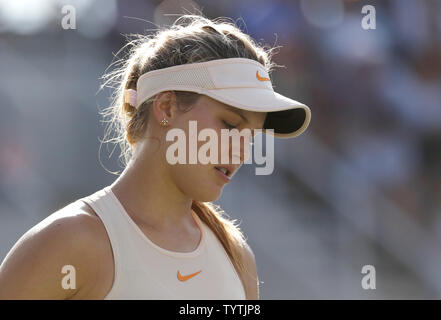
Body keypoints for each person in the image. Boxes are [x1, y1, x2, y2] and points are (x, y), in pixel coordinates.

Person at [0, 15, 310, 299]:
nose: (242, 149)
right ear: (166, 108)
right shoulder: (70, 242)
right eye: (230, 124)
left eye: (252, 135)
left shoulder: (236, 255)